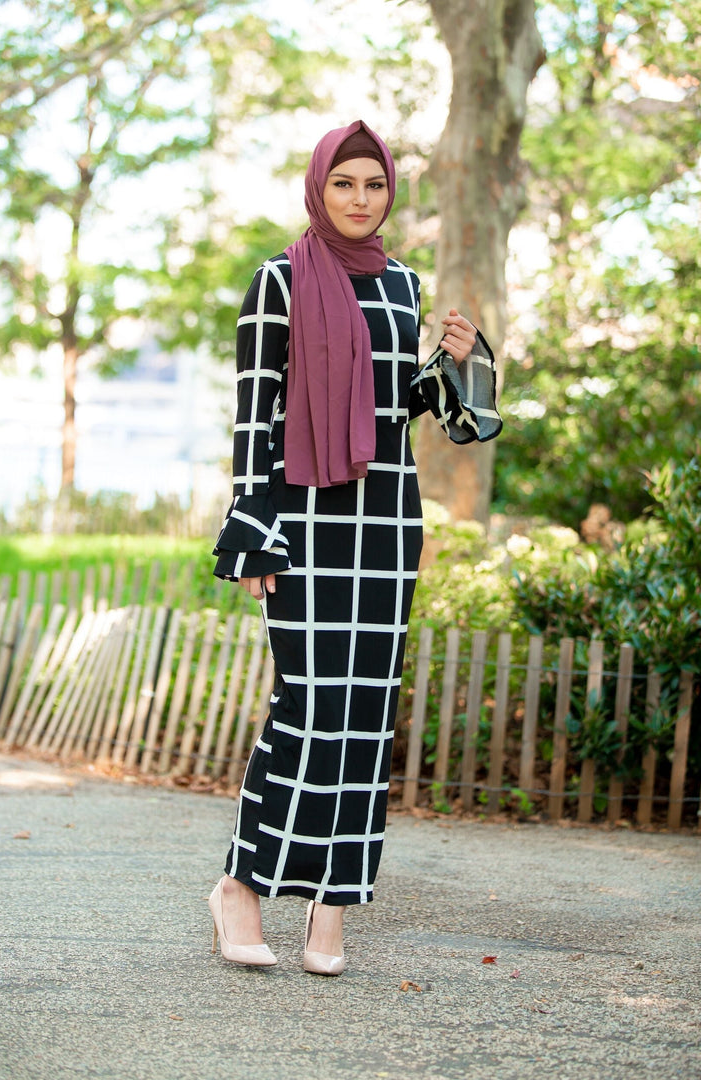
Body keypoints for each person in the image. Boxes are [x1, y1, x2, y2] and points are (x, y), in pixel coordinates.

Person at [210, 119, 502, 975]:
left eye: (374, 185)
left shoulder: (401, 287)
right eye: (344, 184)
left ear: (390, 195)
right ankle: (241, 886)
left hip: (384, 523)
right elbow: (257, 414)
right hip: (301, 524)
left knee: (366, 718)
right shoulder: (278, 283)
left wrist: (456, 363)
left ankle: (332, 913)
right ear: (318, 188)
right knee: (304, 706)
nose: (360, 199)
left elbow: (385, 411)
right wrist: (254, 527)